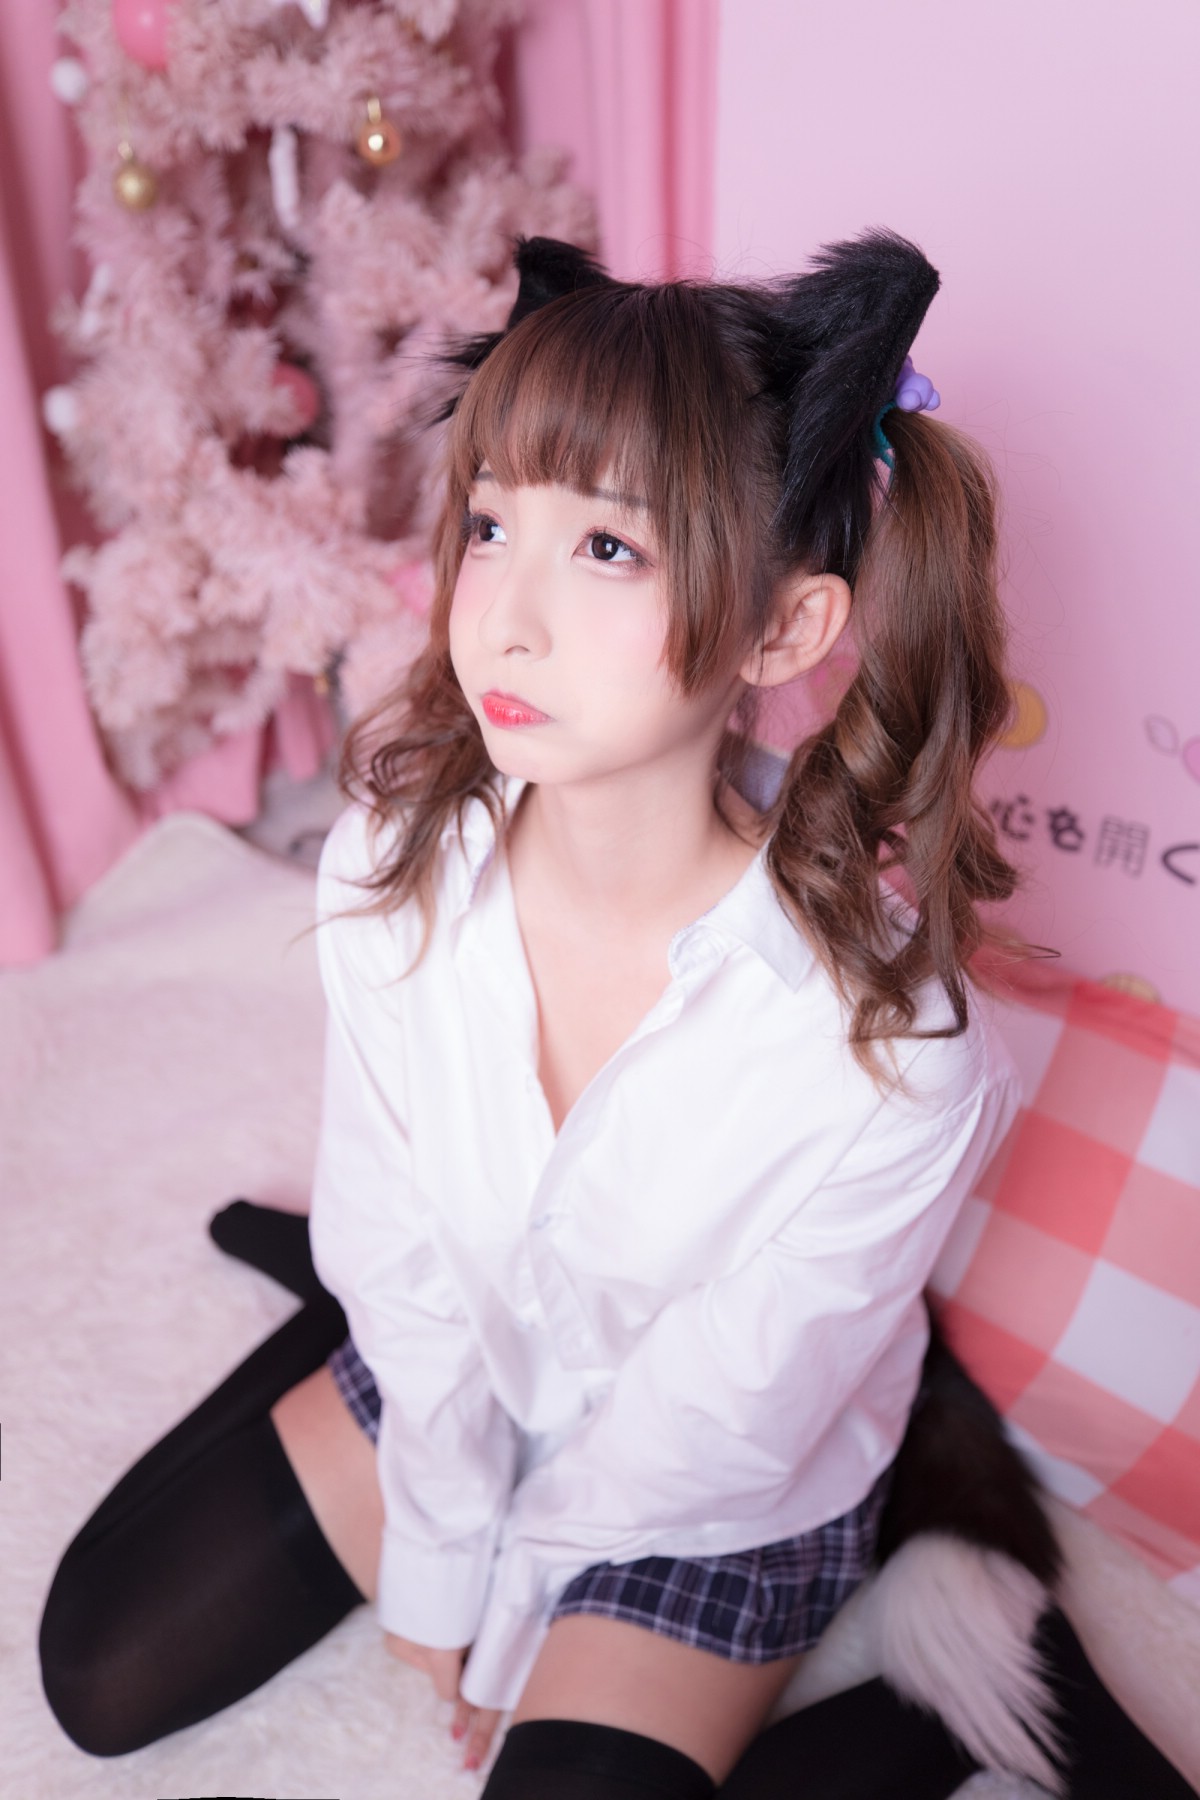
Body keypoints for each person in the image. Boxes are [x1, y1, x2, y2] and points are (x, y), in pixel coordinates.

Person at [39, 233, 1198, 1800]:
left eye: (605, 549)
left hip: (718, 1488)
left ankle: (955, 1695)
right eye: (492, 523)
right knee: (100, 1669)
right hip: (478, 1353)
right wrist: (436, 1544)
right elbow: (394, 1234)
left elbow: (707, 1433)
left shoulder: (891, 1056)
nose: (504, 618)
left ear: (782, 632)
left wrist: (509, 1609)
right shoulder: (394, 865)